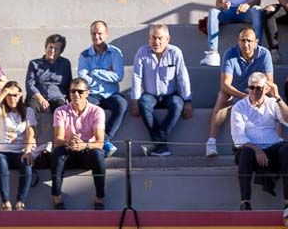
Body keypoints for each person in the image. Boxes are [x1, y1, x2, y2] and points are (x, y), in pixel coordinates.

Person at [206, 27, 275, 157]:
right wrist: (246, 97)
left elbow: (269, 83)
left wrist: (255, 96)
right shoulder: (230, 53)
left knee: (273, 99)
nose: (246, 44)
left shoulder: (264, 54)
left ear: (256, 42)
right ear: (238, 41)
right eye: (242, 40)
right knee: (223, 95)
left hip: (257, 91)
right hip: (236, 92)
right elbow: (225, 84)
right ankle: (211, 142)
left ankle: (275, 142)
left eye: (249, 40)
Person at [131, 24, 194, 156]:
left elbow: (182, 77)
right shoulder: (142, 52)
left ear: (168, 39)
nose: (156, 41)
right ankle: (161, 145)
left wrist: (187, 100)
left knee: (178, 104)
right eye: (153, 38)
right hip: (150, 95)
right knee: (143, 103)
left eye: (160, 38)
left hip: (170, 95)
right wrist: (135, 101)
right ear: (148, 39)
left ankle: (158, 143)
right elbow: (137, 77)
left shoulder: (175, 52)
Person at [230, 71, 288, 209]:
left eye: (258, 88)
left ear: (266, 89)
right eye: (251, 87)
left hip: (273, 145)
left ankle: (287, 202)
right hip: (250, 147)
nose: (254, 91)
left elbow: (287, 120)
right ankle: (245, 202)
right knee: (246, 152)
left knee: (287, 150)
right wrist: (257, 150)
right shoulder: (239, 107)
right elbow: (238, 137)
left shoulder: (273, 103)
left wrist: (278, 98)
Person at [51, 79, 108, 209]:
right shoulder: (60, 111)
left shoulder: (97, 111)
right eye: (73, 91)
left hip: (87, 152)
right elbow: (57, 140)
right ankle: (56, 196)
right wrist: (69, 142)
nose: (76, 94)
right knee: (58, 152)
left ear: (87, 93)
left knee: (98, 154)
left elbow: (100, 142)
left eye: (80, 91)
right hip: (68, 151)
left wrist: (84, 145)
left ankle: (100, 197)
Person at [77, 20, 127, 158]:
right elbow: (82, 76)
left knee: (122, 104)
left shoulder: (115, 53)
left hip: (111, 93)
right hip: (93, 93)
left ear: (106, 34)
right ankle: (98, 142)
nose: (96, 36)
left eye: (100, 33)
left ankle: (106, 138)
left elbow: (118, 76)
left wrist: (95, 72)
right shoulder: (85, 54)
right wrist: (106, 73)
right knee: (85, 108)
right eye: (93, 33)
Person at [0, 82, 38, 211]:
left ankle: (21, 201)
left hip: (19, 152)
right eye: (9, 95)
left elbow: (31, 132)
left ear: (20, 96)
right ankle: (6, 202)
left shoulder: (28, 111)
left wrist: (28, 150)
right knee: (1, 162)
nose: (12, 98)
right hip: (0, 152)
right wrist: (5, 92)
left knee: (27, 162)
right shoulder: (0, 109)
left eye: (15, 95)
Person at [26, 34, 73, 144]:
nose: (52, 50)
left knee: (63, 110)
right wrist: (41, 99)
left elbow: (68, 85)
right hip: (37, 96)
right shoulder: (34, 63)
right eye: (50, 47)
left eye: (56, 49)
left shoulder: (65, 63)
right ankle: (31, 142)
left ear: (60, 51)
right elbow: (30, 85)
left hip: (57, 96)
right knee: (31, 110)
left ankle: (60, 141)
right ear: (46, 47)